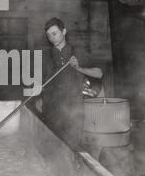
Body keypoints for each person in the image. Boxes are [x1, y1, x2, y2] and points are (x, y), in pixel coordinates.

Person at [42, 17, 103, 148]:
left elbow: (99, 73)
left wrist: (79, 68)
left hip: (73, 110)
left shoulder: (78, 52)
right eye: (49, 35)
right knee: (53, 150)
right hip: (51, 111)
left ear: (64, 32)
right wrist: (36, 87)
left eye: (55, 33)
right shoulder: (45, 56)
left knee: (73, 147)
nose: (52, 38)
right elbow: (37, 81)